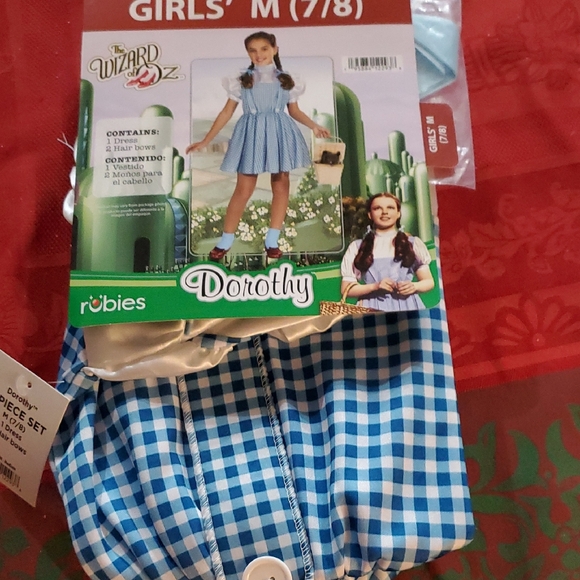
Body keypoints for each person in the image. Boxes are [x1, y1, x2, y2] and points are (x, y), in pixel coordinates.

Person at [186, 31, 330, 261]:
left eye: (264, 49)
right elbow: (226, 112)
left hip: (279, 132)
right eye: (252, 50)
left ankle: (272, 240)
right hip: (251, 133)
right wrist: (206, 140)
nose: (258, 54)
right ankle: (226, 240)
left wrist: (314, 126)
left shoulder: (287, 80)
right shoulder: (241, 80)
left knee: (280, 185)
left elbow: (294, 111)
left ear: (275, 49)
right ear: (248, 53)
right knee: (243, 189)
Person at [340, 192, 435, 311]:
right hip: (372, 307)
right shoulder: (357, 247)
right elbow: (346, 289)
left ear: (398, 213)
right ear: (370, 214)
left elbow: (429, 281)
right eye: (377, 208)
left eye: (390, 208)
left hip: (408, 307)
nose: (384, 212)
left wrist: (414, 286)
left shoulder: (412, 243)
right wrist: (375, 286)